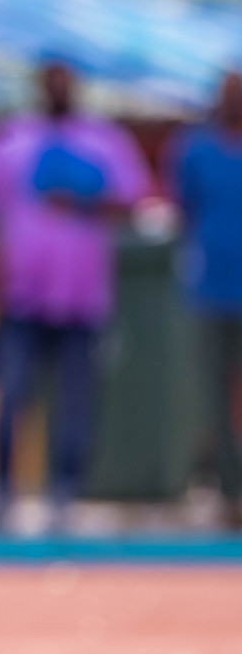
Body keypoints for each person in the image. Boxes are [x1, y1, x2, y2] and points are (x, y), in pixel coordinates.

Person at [0, 61, 150, 527]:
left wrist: (85, 196)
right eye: (51, 78)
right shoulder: (9, 136)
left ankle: (66, 494)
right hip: (21, 296)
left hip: (81, 297)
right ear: (39, 84)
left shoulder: (105, 140)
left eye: (67, 79)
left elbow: (134, 200)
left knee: (75, 400)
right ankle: (3, 492)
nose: (58, 87)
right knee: (12, 396)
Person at [168, 70, 242, 528]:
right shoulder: (195, 150)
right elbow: (183, 211)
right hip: (213, 293)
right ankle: (229, 491)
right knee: (215, 398)